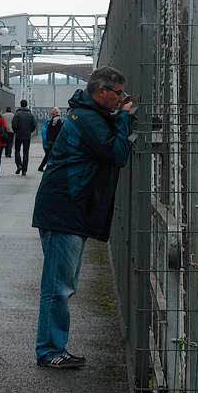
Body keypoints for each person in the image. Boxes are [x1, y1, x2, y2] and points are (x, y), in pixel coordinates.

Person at [32, 67, 136, 368]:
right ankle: (50, 351)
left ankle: (53, 347)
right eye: (118, 94)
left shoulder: (89, 116)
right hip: (65, 209)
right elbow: (117, 154)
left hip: (67, 209)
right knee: (58, 286)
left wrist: (121, 118)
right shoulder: (88, 119)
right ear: (101, 91)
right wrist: (124, 119)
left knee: (63, 284)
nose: (121, 100)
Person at [12, 99, 37, 175]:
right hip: (27, 135)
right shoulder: (31, 114)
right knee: (26, 152)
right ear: (26, 105)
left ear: (20, 104)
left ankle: (19, 165)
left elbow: (14, 125)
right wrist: (30, 131)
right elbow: (34, 125)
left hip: (19, 135)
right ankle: (24, 170)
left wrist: (16, 131)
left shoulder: (17, 114)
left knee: (17, 151)